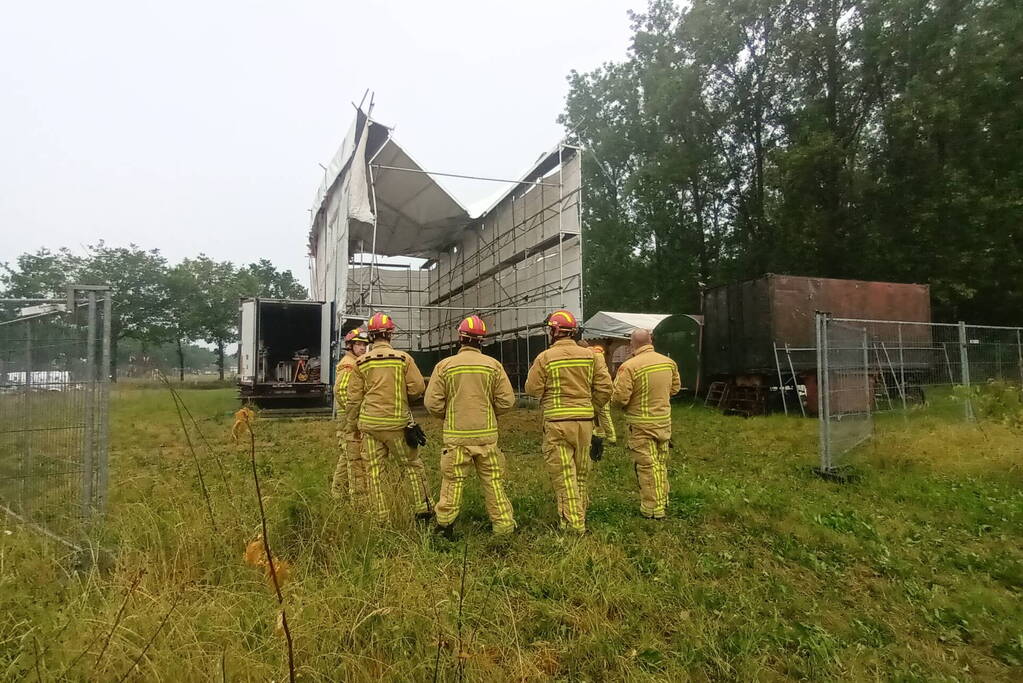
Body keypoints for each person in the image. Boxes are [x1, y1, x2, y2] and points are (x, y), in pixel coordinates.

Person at [424, 315, 516, 538]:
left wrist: (450, 415)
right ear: (482, 340)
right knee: (493, 482)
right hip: (487, 436)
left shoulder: (444, 366)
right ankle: (504, 527)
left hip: (456, 437)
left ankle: (444, 527)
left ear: (460, 338)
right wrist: (489, 413)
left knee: (452, 483)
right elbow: (507, 401)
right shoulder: (493, 366)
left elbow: (432, 403)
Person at [525, 310, 613, 533]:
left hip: (557, 423)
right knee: (581, 473)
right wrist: (589, 407)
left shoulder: (545, 358)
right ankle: (579, 513)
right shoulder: (592, 356)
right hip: (585, 422)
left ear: (554, 332)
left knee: (565, 475)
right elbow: (605, 389)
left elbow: (532, 389)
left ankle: (573, 526)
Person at [345, 312, 432, 524]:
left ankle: (381, 518)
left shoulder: (361, 363)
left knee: (374, 472)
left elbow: (353, 398)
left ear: (371, 337)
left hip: (370, 425)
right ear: (390, 334)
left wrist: (351, 424)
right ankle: (423, 511)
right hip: (397, 426)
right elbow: (418, 387)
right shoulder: (403, 359)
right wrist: (404, 396)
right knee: (411, 465)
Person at [612, 328, 681, 520]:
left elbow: (619, 398)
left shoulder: (629, 367)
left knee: (646, 466)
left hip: (641, 424)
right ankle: (662, 499)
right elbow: (674, 389)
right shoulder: (669, 363)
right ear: (651, 340)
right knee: (660, 463)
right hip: (663, 422)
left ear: (632, 344)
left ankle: (652, 509)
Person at [331, 327, 369, 499]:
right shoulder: (349, 364)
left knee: (347, 457)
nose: (362, 348)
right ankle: (354, 497)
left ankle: (337, 493)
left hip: (348, 419)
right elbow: (341, 391)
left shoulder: (355, 362)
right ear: (350, 346)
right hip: (348, 421)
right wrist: (354, 414)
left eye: (364, 345)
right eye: (358, 344)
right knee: (354, 460)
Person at [589, 345, 617, 446]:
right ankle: (605, 435)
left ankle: (607, 436)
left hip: (598, 390)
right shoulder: (598, 358)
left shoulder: (593, 357)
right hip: (602, 390)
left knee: (598, 414)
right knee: (602, 414)